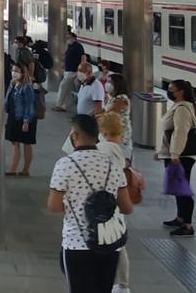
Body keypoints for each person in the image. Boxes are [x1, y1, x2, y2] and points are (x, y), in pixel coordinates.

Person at [48, 115, 134, 293]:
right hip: (109, 243)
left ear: (75, 136)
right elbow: (127, 207)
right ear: (97, 135)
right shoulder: (113, 164)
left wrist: (75, 206)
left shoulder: (65, 164)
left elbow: (53, 206)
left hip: (77, 242)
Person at [159, 79, 196, 238]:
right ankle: (180, 217)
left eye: (172, 89)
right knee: (179, 189)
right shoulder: (180, 106)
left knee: (183, 190)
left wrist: (175, 153)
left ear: (181, 92)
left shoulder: (183, 109)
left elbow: (180, 131)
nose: (169, 92)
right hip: (177, 154)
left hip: (181, 156)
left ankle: (188, 225)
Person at [96, 112, 132, 293]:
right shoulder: (124, 150)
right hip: (117, 202)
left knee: (105, 244)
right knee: (119, 244)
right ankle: (123, 285)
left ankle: (112, 283)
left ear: (103, 130)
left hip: (103, 202)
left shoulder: (102, 149)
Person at [4, 65, 37, 177]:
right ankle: (13, 169)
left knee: (26, 143)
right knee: (15, 142)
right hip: (14, 116)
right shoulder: (12, 84)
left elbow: (29, 105)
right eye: (12, 70)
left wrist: (26, 121)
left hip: (25, 118)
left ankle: (25, 170)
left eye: (17, 71)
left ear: (23, 73)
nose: (14, 73)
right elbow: (8, 101)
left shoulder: (27, 87)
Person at [104, 74, 133, 162]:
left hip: (121, 132)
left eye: (110, 82)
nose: (107, 84)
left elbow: (111, 112)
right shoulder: (113, 98)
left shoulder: (122, 99)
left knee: (120, 155)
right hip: (112, 130)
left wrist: (98, 117)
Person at [54, 32, 85, 112]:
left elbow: (83, 57)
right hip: (68, 70)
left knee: (63, 86)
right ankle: (65, 106)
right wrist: (64, 64)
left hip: (73, 71)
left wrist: (81, 68)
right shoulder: (70, 46)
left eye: (69, 38)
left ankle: (59, 105)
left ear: (74, 38)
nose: (67, 39)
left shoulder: (78, 46)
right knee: (68, 89)